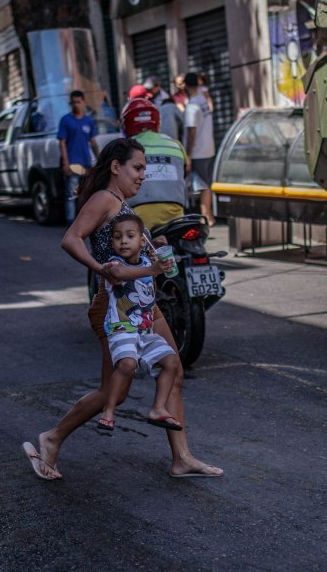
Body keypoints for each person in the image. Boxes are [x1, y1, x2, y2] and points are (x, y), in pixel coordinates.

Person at [21, 138, 223, 480]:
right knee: (114, 390)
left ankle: (182, 458)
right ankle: (52, 438)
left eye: (144, 168)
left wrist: (152, 245)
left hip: (143, 304)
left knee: (173, 371)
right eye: (137, 168)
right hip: (115, 307)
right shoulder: (104, 199)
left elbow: (128, 251)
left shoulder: (122, 204)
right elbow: (71, 238)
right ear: (116, 167)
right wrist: (101, 270)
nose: (143, 175)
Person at [95, 212, 184, 435]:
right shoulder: (114, 264)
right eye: (118, 237)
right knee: (127, 365)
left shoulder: (146, 260)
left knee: (171, 362)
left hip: (144, 331)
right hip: (122, 329)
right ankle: (108, 411)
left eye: (130, 236)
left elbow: (147, 266)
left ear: (142, 241)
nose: (123, 241)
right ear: (112, 242)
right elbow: (120, 273)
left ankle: (158, 408)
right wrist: (153, 270)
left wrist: (157, 246)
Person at [121, 98, 189, 233]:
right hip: (175, 215)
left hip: (138, 215)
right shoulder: (175, 145)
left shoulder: (124, 148)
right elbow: (185, 171)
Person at [57, 90, 98, 223]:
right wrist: (65, 163)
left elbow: (93, 142)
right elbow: (62, 143)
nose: (76, 105)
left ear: (84, 102)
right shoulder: (66, 120)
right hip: (72, 164)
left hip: (86, 165)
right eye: (73, 102)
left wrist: (99, 160)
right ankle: (71, 223)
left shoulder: (89, 121)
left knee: (86, 195)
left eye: (78, 102)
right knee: (71, 196)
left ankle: (85, 223)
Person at [184, 72, 216, 225]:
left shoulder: (192, 107)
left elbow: (191, 134)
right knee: (206, 184)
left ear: (185, 86)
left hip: (198, 151)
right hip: (208, 148)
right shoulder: (203, 99)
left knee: (203, 185)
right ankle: (208, 215)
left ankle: (207, 217)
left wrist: (187, 155)